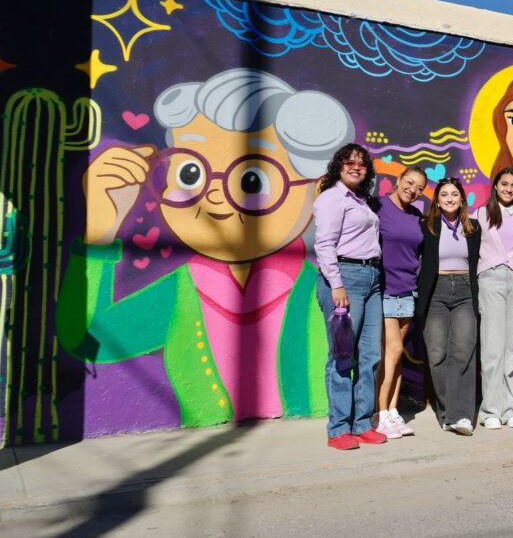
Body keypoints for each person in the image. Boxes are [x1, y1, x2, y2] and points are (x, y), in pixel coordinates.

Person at [58, 68, 351, 429]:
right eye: (190, 173)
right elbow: (90, 341)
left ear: (312, 188)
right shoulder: (183, 291)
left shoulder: (318, 289)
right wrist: (99, 234)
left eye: (250, 178)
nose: (212, 194)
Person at [313, 144, 387, 449]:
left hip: (371, 279)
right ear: (338, 166)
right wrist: (337, 284)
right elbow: (324, 244)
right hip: (345, 278)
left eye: (361, 163)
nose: (356, 167)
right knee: (343, 356)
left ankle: (361, 423)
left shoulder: (362, 201)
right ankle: (338, 428)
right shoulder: (332, 198)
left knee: (370, 356)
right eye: (349, 162)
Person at [474, 167, 513, 430]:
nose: (509, 189)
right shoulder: (481, 213)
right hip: (490, 280)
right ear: (496, 186)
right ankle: (490, 409)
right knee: (492, 346)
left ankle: (511, 407)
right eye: (505, 184)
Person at [416, 177, 482, 435]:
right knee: (437, 354)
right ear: (437, 200)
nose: (450, 198)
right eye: (445, 194)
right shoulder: (427, 227)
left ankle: (462, 415)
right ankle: (446, 412)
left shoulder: (473, 228)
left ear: (462, 199)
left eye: (455, 194)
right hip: (436, 291)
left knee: (463, 351)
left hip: (465, 290)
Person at [373, 166, 427, 439]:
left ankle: (392, 412)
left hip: (409, 290)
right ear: (398, 181)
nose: (413, 190)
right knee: (392, 352)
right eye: (409, 183)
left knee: (396, 355)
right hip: (386, 289)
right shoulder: (379, 206)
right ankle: (381, 414)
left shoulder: (416, 215)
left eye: (419, 188)